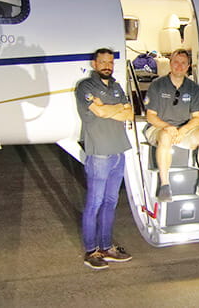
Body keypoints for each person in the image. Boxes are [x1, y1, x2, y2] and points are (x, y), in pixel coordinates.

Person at [75, 48, 134, 270]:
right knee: (94, 203)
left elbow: (130, 113)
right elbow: (98, 113)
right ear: (94, 64)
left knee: (111, 202)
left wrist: (109, 108)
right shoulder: (86, 86)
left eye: (110, 62)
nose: (107, 65)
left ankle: (107, 247)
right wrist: (116, 108)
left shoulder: (117, 86)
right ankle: (91, 251)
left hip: (119, 152)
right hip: (99, 153)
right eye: (102, 62)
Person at [143, 49, 199, 202]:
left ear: (188, 66)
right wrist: (168, 127)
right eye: (176, 62)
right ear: (170, 64)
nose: (179, 66)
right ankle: (164, 186)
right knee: (165, 135)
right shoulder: (157, 85)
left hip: (184, 130)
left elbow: (197, 117)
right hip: (159, 128)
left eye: (183, 63)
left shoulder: (193, 87)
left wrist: (183, 130)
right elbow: (150, 116)